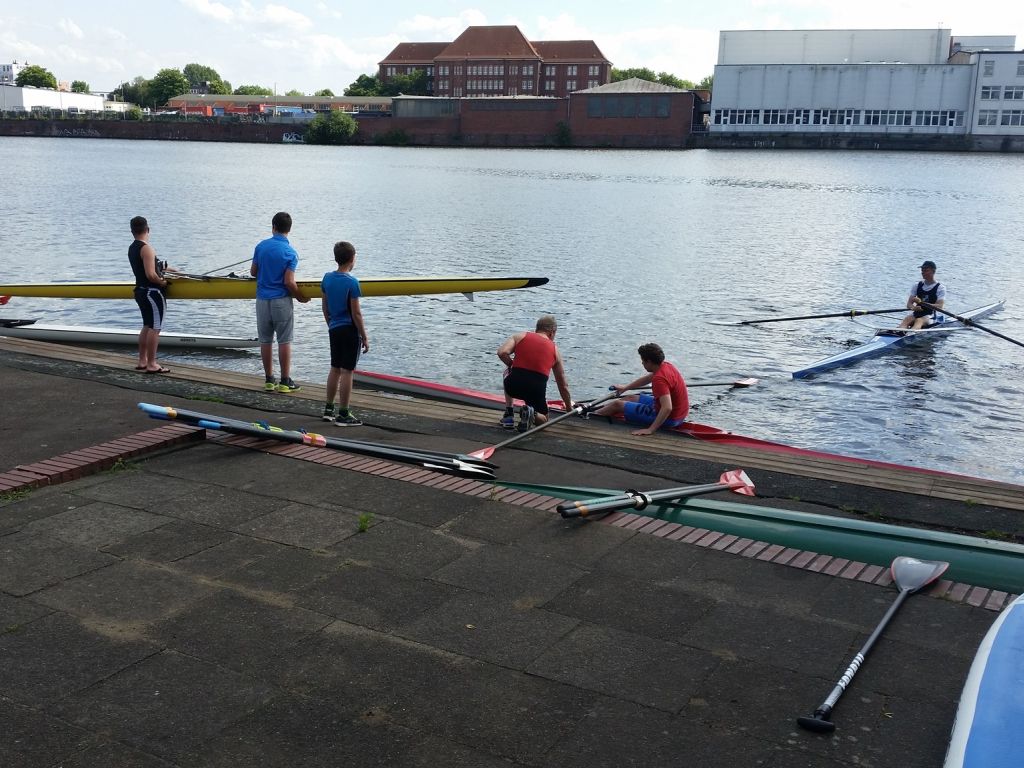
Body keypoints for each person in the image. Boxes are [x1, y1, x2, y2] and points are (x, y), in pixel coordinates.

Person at [251, 211, 309, 392]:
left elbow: (253, 272)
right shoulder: (291, 252)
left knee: (265, 340)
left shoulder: (261, 246)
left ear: (273, 227)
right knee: (284, 340)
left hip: (262, 300)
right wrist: (300, 296)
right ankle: (285, 381)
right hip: (281, 301)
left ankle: (269, 379)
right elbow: (289, 282)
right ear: (289, 230)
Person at [591, 343, 689, 437]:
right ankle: (595, 410)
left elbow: (667, 407)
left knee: (617, 404)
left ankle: (589, 417)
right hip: (680, 413)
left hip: (671, 419)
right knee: (631, 397)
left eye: (643, 361)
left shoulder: (659, 379)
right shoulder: (666, 365)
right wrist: (625, 388)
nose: (642, 363)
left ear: (649, 361)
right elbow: (647, 379)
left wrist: (650, 430)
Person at [321, 241, 369, 426]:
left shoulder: (327, 278)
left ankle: (328, 409)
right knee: (347, 371)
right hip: (349, 330)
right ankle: (343, 413)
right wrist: (364, 335)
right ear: (352, 259)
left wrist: (331, 324)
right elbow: (356, 312)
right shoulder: (352, 282)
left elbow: (325, 306)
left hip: (334, 328)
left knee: (334, 368)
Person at [497, 315, 573, 433]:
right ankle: (532, 413)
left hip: (513, 386)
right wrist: (568, 408)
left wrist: (512, 365)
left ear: (536, 328)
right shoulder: (555, 351)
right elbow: (563, 385)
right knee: (544, 420)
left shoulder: (520, 336)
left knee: (507, 370)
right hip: (535, 391)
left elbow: (502, 352)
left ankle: (509, 415)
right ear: (552, 332)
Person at [128, 215, 178, 374]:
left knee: (147, 325)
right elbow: (151, 275)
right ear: (148, 229)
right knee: (155, 328)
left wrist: (171, 269)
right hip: (153, 293)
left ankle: (143, 361)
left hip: (140, 291)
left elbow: (151, 267)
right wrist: (163, 282)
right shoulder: (147, 248)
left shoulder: (133, 247)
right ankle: (152, 364)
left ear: (132, 231)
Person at [898, 260, 946, 330]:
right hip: (917, 313)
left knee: (919, 321)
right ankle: (899, 333)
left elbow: (940, 306)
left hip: (931, 315)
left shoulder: (940, 288)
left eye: (926, 270)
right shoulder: (917, 285)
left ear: (933, 271)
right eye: (922, 270)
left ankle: (911, 334)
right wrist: (913, 308)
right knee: (906, 319)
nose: (923, 272)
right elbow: (909, 304)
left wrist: (921, 303)